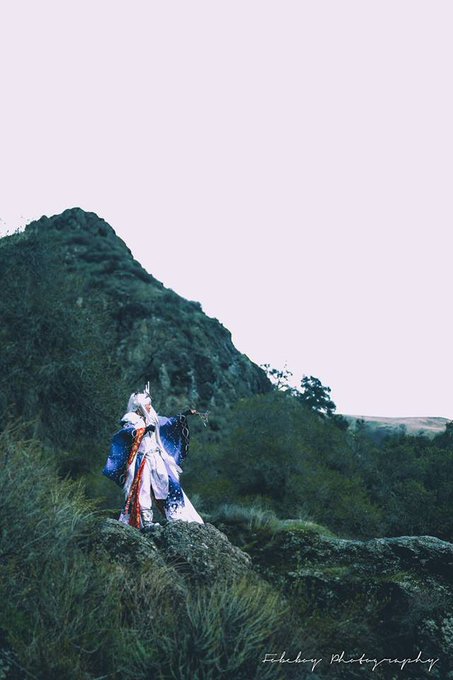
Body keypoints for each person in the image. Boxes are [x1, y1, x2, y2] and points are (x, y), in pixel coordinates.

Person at [103, 387, 204, 530]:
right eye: (147, 405)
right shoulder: (130, 419)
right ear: (139, 407)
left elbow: (167, 423)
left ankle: (175, 515)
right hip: (142, 459)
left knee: (170, 483)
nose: (150, 407)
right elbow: (127, 434)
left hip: (156, 457)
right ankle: (146, 521)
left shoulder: (152, 416)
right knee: (143, 488)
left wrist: (183, 415)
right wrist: (143, 431)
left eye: (150, 404)